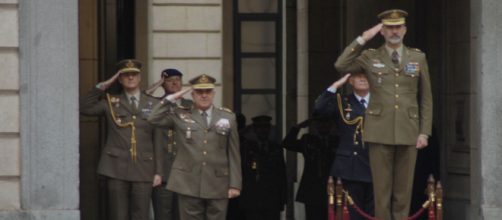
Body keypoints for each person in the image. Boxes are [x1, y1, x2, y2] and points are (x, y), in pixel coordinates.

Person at [334, 9, 433, 220]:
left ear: (405, 30)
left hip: (408, 129)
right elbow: (340, 64)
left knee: (403, 192)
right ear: (382, 31)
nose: (394, 31)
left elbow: (426, 98)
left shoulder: (418, 56)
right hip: (379, 131)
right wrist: (363, 38)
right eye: (389, 27)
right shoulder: (370, 56)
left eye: (398, 27)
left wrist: (424, 132)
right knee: (381, 192)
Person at [147, 74, 242, 220]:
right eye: (199, 92)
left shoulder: (228, 117)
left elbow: (234, 153)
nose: (204, 95)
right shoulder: (181, 114)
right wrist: (169, 99)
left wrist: (235, 184)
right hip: (188, 182)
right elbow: (153, 119)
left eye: (208, 91)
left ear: (213, 93)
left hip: (218, 182)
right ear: (192, 94)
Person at [80, 59, 163, 220]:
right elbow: (83, 107)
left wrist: (159, 171)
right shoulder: (110, 102)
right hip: (116, 167)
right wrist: (103, 86)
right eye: (126, 75)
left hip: (144, 167)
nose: (130, 78)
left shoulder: (154, 103)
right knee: (118, 215)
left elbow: (158, 139)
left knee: (141, 214)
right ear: (119, 79)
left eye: (134, 74)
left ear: (140, 78)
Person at [314, 73, 374, 220]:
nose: (362, 78)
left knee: (375, 214)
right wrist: (336, 86)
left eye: (366, 75)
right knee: (352, 215)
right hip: (350, 168)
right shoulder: (342, 101)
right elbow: (319, 109)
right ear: (350, 80)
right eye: (357, 75)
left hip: (376, 165)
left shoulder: (382, 101)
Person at [147, 69, 193, 220]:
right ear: (162, 83)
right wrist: (156, 85)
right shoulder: (155, 105)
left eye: (178, 80)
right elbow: (140, 99)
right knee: (163, 215)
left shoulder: (191, 106)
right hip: (162, 171)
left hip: (185, 172)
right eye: (169, 80)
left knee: (183, 215)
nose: (174, 83)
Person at [282, 113, 338, 220]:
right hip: (312, 190)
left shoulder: (336, 141)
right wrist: (298, 127)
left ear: (331, 125)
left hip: (332, 189)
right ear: (315, 125)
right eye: (320, 123)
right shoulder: (308, 139)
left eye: (326, 123)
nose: (323, 125)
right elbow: (287, 143)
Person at [239, 115, 286, 220]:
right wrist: (244, 131)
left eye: (266, 128)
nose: (263, 131)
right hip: (252, 198)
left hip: (272, 198)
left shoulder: (276, 148)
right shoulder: (246, 147)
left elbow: (281, 174)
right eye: (259, 128)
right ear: (254, 130)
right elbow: (230, 143)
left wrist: (282, 198)